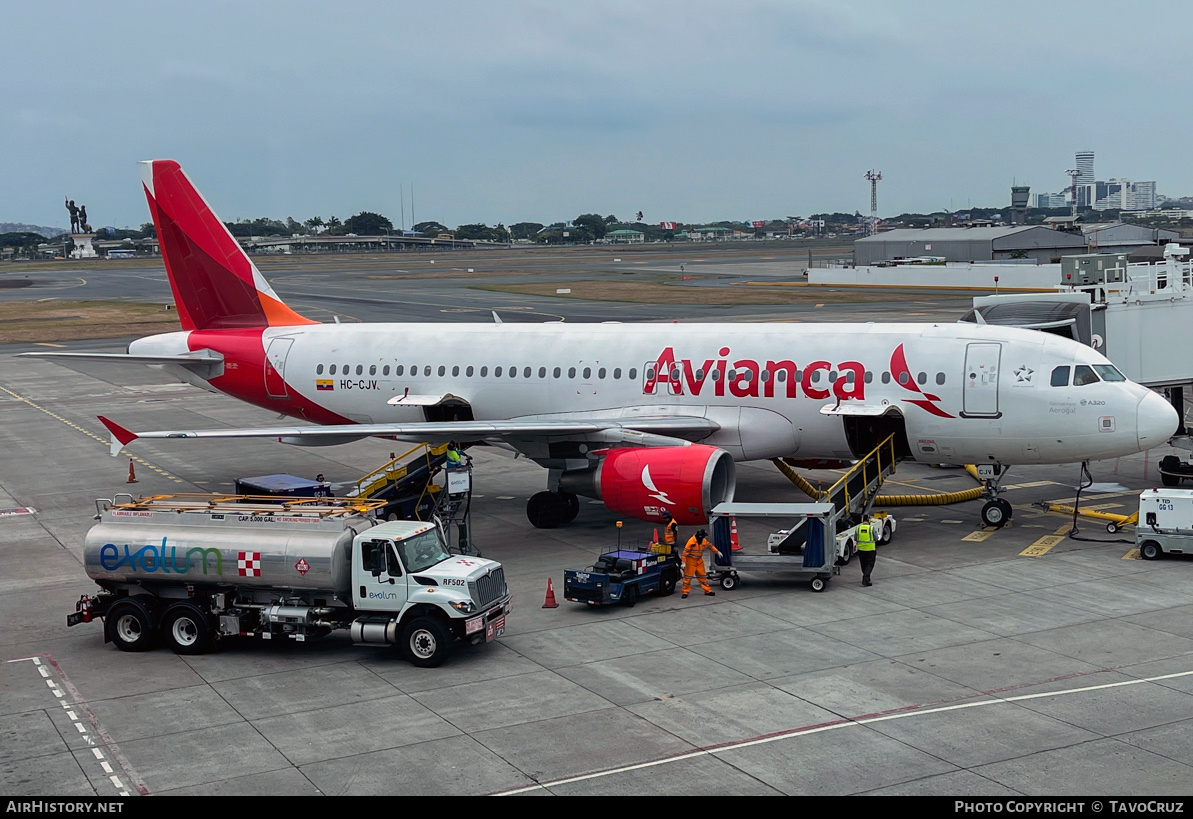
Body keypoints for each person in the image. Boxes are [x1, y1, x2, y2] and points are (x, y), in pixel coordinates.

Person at [680, 528, 721, 598]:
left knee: (703, 577)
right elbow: (685, 552)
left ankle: (707, 591)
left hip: (699, 561)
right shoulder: (691, 541)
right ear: (700, 536)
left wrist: (716, 551)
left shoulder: (703, 541)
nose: (704, 537)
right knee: (687, 578)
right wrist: (683, 562)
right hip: (691, 561)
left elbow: (709, 546)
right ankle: (685, 592)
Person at [857, 516, 876, 586]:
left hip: (861, 549)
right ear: (869, 520)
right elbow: (876, 538)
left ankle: (866, 577)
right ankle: (865, 578)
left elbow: (856, 538)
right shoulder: (871, 528)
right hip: (870, 549)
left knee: (863, 564)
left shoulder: (858, 528)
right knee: (870, 564)